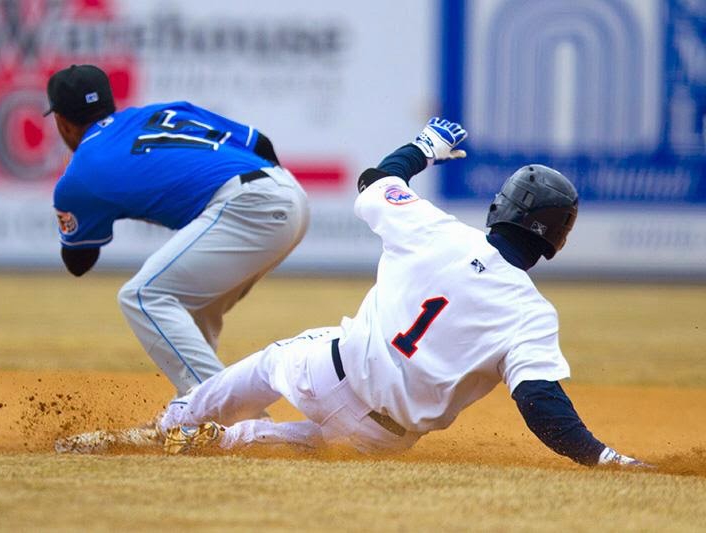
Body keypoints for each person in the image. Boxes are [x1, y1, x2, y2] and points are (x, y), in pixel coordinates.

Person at [155, 117, 647, 467]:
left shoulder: (435, 229)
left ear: (503, 207)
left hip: (329, 373)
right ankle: (226, 441)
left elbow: (375, 182)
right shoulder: (533, 316)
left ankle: (174, 422)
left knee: (274, 362)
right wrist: (600, 455)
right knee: (315, 443)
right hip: (382, 438)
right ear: (555, 240)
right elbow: (542, 402)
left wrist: (424, 147)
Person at [45, 64, 309, 397]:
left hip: (249, 206)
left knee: (143, 295)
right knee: (188, 310)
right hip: (288, 194)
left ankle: (231, 417)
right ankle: (194, 417)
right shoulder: (165, 111)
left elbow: (79, 261)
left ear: (61, 122)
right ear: (110, 102)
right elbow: (262, 144)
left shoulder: (80, 175)